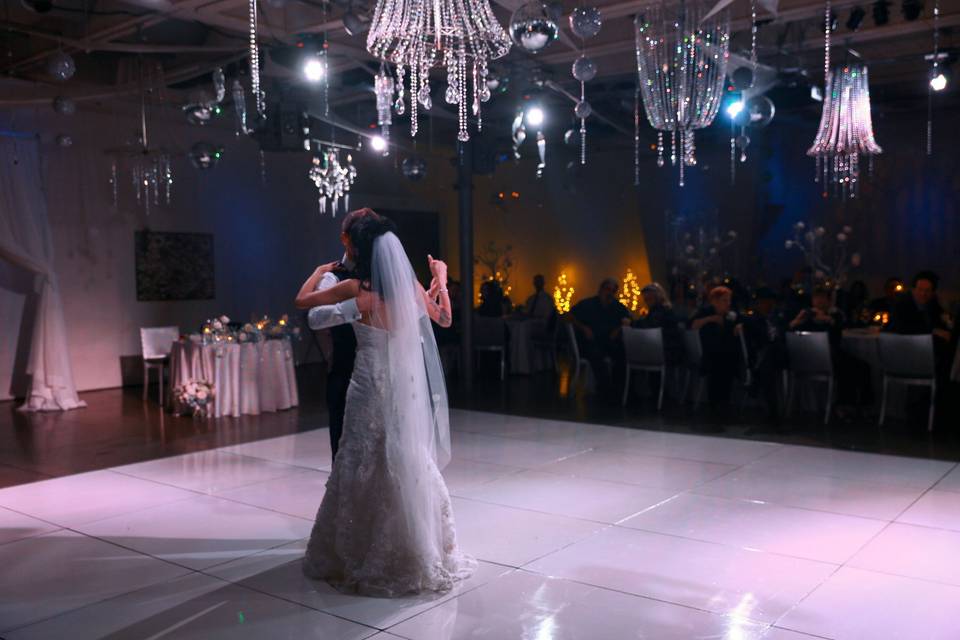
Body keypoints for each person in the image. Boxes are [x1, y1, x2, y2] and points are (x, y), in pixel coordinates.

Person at [294, 214, 475, 596]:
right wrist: (439, 278)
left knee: (358, 457)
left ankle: (355, 548)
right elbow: (443, 318)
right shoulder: (410, 287)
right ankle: (418, 547)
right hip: (401, 388)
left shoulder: (353, 289)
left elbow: (302, 303)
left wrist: (315, 271)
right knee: (407, 456)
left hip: (367, 384)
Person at [305, 208, 378, 461]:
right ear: (345, 238)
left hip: (381, 374)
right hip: (345, 372)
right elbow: (314, 317)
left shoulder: (381, 274)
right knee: (344, 451)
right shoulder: (333, 276)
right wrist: (354, 308)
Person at [569, 278, 631, 402]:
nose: (609, 293)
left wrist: (618, 329)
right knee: (596, 353)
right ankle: (606, 391)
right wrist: (584, 328)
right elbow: (568, 315)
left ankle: (621, 391)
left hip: (609, 342)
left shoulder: (617, 307)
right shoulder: (587, 304)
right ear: (600, 290)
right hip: (590, 343)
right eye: (607, 289)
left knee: (622, 353)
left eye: (613, 291)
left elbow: (628, 321)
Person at [691, 286, 742, 425]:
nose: (728, 304)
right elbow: (693, 325)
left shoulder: (730, 315)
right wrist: (711, 319)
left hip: (724, 353)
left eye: (728, 300)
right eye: (724, 300)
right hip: (709, 354)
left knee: (728, 361)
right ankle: (717, 406)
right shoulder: (706, 312)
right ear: (714, 301)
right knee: (720, 365)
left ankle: (723, 404)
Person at [743, 287, 787, 422]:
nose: (768, 305)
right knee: (767, 360)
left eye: (769, 302)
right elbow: (757, 339)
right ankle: (773, 411)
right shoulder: (754, 320)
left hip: (779, 356)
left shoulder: (779, 317)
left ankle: (756, 382)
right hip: (764, 357)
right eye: (764, 302)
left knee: (769, 354)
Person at [633, 282, 682, 364]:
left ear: (657, 296)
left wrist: (632, 324)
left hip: (667, 351)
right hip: (662, 349)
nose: (646, 301)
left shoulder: (661, 311)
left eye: (649, 298)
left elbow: (651, 327)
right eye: (645, 299)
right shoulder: (656, 310)